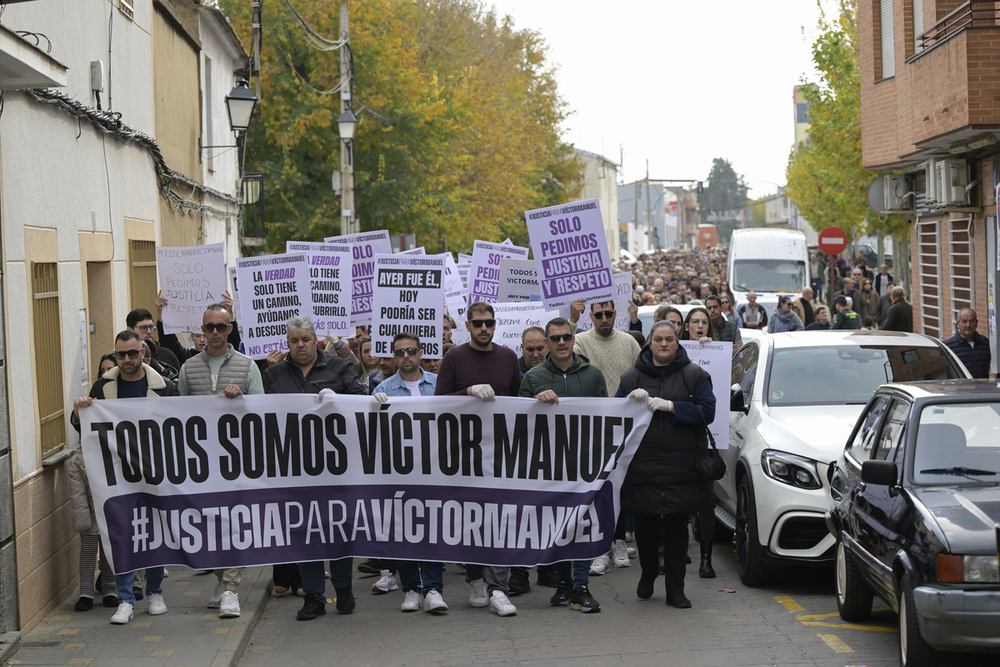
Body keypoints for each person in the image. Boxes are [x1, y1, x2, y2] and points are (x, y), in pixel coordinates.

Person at [70, 330, 179, 624]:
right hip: (117, 476)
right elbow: (86, 431)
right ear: (115, 355)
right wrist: (79, 414)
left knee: (154, 533)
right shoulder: (102, 385)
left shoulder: (166, 387)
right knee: (123, 535)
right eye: (121, 354)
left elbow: (178, 428)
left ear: (143, 352)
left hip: (155, 474)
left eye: (132, 353)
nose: (127, 359)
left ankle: (155, 592)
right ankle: (126, 598)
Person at [263, 314, 365, 621]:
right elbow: (263, 415)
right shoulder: (274, 374)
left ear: (315, 339)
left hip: (337, 467)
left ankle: (344, 591)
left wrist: (340, 399)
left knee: (340, 529)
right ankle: (314, 597)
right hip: (296, 468)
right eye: (294, 341)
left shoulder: (339, 367)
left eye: (305, 339)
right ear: (287, 343)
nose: (300, 345)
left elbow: (362, 400)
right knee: (306, 532)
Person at [616, 321, 715, 608]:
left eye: (669, 339)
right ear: (649, 342)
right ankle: (648, 573)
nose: (664, 344)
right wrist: (627, 403)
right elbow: (614, 418)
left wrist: (672, 406)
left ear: (677, 341)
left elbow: (708, 411)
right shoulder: (631, 377)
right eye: (658, 339)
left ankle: (675, 588)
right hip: (642, 465)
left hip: (682, 465)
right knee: (645, 527)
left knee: (676, 529)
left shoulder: (695, 375)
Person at [177, 303, 265, 619]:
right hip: (202, 465)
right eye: (209, 327)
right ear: (202, 331)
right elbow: (180, 414)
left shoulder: (247, 366)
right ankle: (219, 579)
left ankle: (231, 589)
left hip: (237, 461)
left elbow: (262, 413)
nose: (214, 333)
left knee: (233, 523)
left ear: (230, 329)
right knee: (208, 525)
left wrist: (241, 398)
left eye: (220, 327)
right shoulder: (188, 369)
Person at [435, 301, 520, 617]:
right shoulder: (454, 358)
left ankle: (499, 588)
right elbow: (438, 403)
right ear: (467, 326)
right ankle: (475, 579)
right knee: (471, 520)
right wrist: (468, 391)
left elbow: (517, 401)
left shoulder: (508, 357)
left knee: (498, 519)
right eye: (478, 323)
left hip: (500, 453)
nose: (484, 328)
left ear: (495, 325)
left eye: (489, 323)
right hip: (463, 455)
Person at [519, 318, 607, 613]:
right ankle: (564, 584)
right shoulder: (533, 376)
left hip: (584, 463)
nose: (561, 342)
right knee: (557, 525)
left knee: (583, 524)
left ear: (573, 339)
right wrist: (534, 400)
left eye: (566, 337)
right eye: (554, 338)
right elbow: (517, 418)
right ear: (546, 342)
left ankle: (580, 585)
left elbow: (606, 417)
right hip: (548, 464)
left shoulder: (593, 375)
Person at [371, 333, 447, 613]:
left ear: (421, 353)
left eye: (411, 351)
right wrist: (373, 407)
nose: (406, 356)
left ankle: (434, 589)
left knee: (432, 530)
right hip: (400, 471)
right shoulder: (383, 388)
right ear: (393, 356)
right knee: (405, 532)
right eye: (400, 352)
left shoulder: (439, 385)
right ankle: (412, 589)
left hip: (435, 469)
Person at [573, 301, 641, 574]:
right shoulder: (580, 341)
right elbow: (566, 356)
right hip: (592, 425)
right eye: (598, 314)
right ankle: (598, 547)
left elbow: (644, 369)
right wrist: (571, 317)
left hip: (625, 424)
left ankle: (619, 541)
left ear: (616, 315)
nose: (603, 318)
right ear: (591, 316)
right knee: (597, 487)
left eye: (608, 313)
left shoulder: (629, 342)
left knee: (620, 485)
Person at [127, 307, 181, 371]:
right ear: (130, 330)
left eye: (151, 327)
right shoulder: (124, 356)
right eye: (143, 328)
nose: (149, 331)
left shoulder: (167, 355)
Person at [943, 308, 991, 378]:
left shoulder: (984, 342)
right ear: (958, 324)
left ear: (976, 323)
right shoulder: (948, 346)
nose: (968, 325)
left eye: (971, 321)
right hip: (961, 388)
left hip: (983, 387)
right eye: (964, 321)